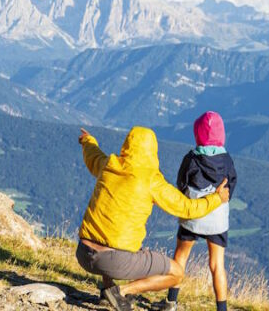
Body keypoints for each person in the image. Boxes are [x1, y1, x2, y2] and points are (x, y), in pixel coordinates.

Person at [75, 126, 230, 311]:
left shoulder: (109, 164)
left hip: (83, 253)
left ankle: (107, 289)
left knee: (109, 230)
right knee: (177, 274)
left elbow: (93, 155)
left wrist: (88, 140)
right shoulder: (151, 181)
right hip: (114, 260)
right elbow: (188, 209)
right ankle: (122, 291)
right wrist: (216, 198)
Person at [159, 112, 237, 311]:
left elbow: (181, 182)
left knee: (181, 256)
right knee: (217, 264)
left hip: (193, 215)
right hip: (217, 219)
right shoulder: (226, 160)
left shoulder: (191, 158)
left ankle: (171, 302)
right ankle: (222, 308)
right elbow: (232, 185)